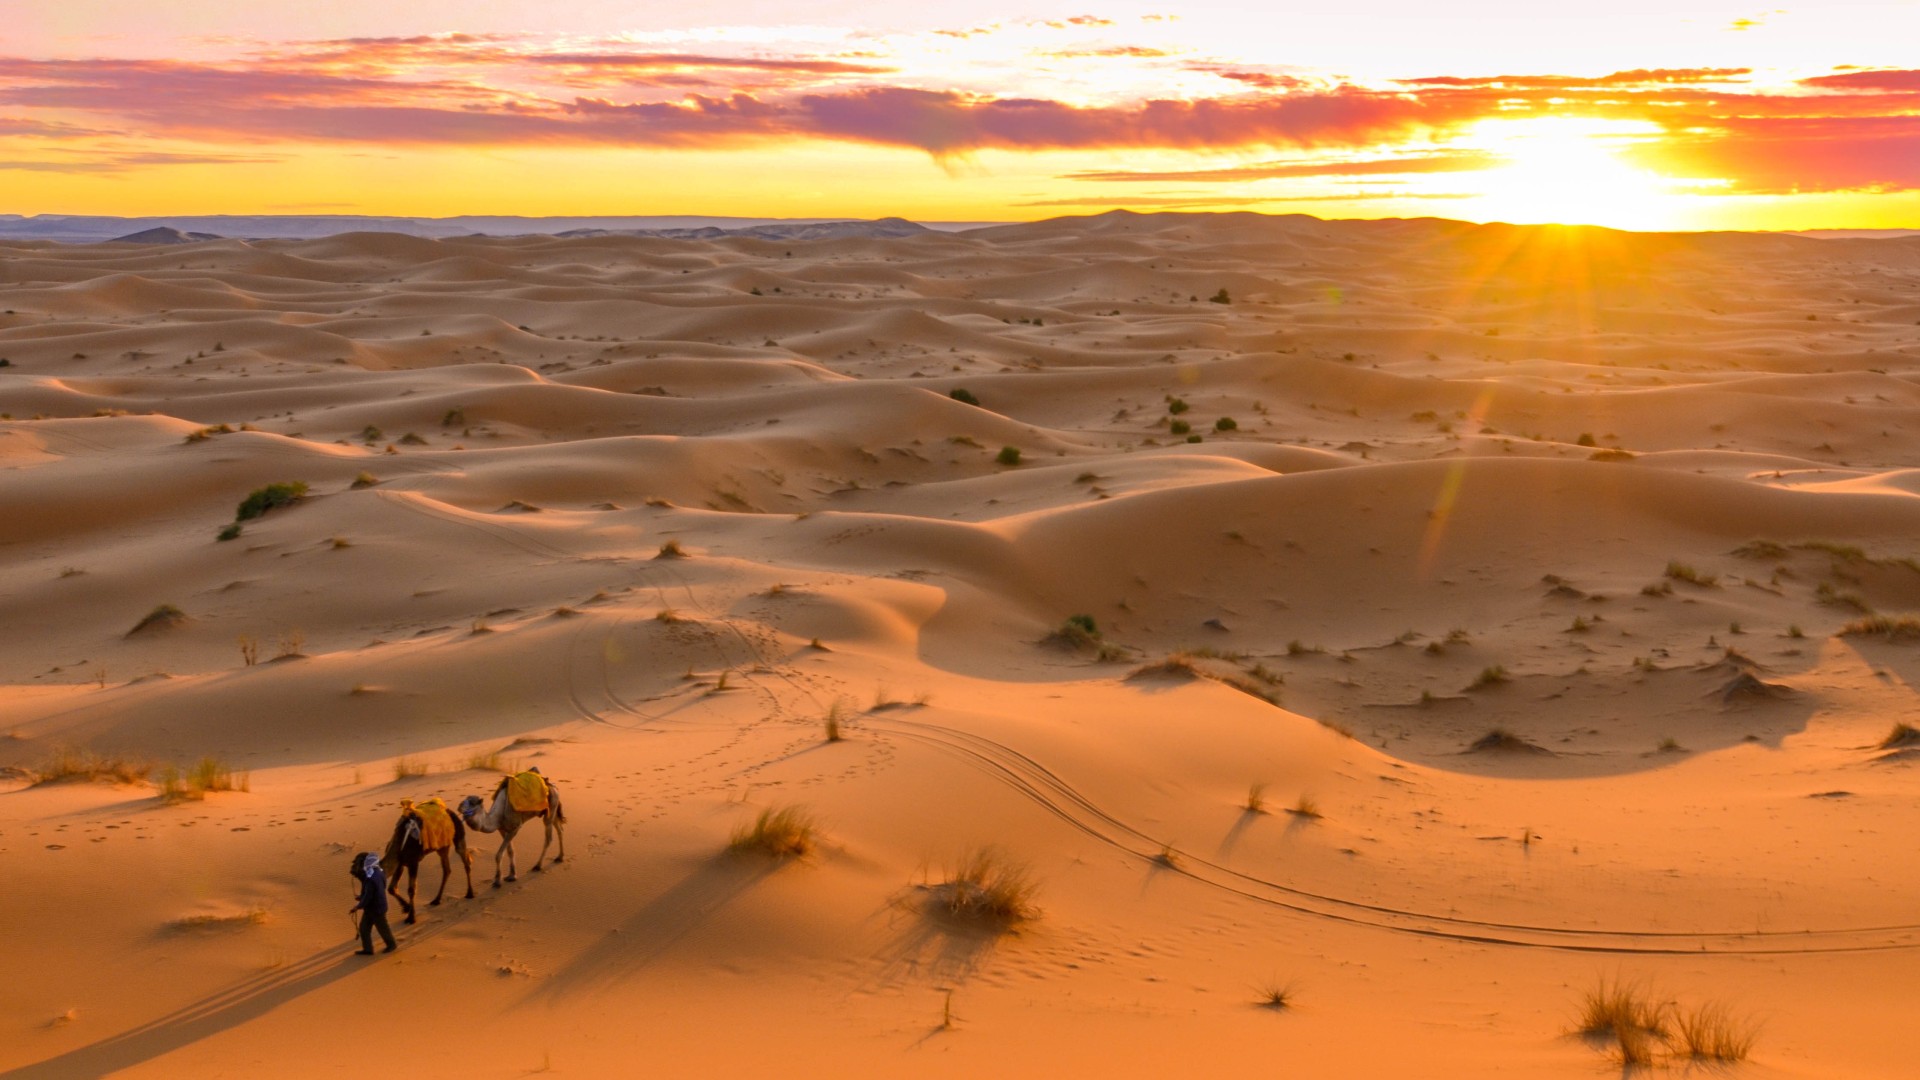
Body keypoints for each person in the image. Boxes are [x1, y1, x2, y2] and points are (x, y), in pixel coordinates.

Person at [349, 851, 397, 955]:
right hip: (375, 906)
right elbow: (376, 890)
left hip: (376, 909)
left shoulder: (370, 878)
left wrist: (357, 906)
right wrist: (361, 897)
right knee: (364, 929)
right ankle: (368, 949)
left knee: (382, 928)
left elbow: (368, 896)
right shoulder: (379, 872)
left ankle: (391, 945)